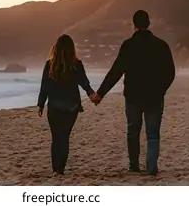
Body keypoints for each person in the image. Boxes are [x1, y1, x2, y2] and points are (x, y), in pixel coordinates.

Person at [90, 10, 175, 176]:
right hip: (154, 97)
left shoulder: (128, 45)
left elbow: (116, 71)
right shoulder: (161, 45)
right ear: (149, 24)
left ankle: (134, 165)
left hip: (133, 97)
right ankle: (151, 167)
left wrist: (100, 94)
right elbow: (170, 72)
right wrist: (161, 89)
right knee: (152, 134)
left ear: (134, 25)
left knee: (133, 132)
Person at [37, 34, 95, 176]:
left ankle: (56, 169)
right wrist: (92, 95)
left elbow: (44, 86)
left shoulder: (49, 64)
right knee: (64, 137)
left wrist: (41, 104)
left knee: (56, 138)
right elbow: (84, 82)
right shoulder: (76, 64)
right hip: (71, 108)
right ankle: (60, 168)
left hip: (54, 107)